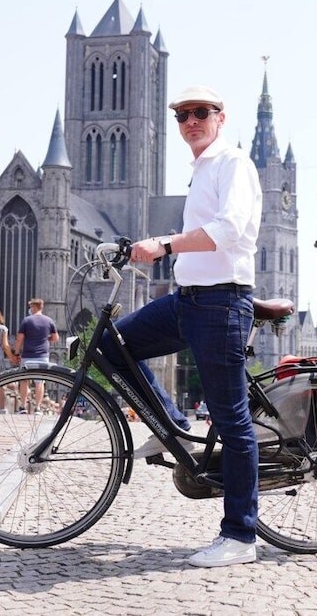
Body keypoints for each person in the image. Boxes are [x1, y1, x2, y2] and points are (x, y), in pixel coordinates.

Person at [98, 85, 262, 567]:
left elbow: (230, 230)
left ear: (220, 117)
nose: (191, 121)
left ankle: (241, 536)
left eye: (200, 112)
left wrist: (166, 244)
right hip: (188, 300)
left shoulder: (233, 163)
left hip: (222, 303)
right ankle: (173, 423)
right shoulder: (201, 169)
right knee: (110, 343)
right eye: (182, 115)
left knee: (232, 421)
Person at [10, 298, 59, 414]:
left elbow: (19, 339)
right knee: (39, 382)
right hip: (42, 355)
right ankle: (37, 408)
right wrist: (46, 339)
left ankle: (23, 406)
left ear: (34, 307)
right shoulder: (49, 321)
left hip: (28, 354)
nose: (30, 309)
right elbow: (56, 338)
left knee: (24, 380)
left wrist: (16, 353)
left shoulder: (27, 321)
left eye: (31, 307)